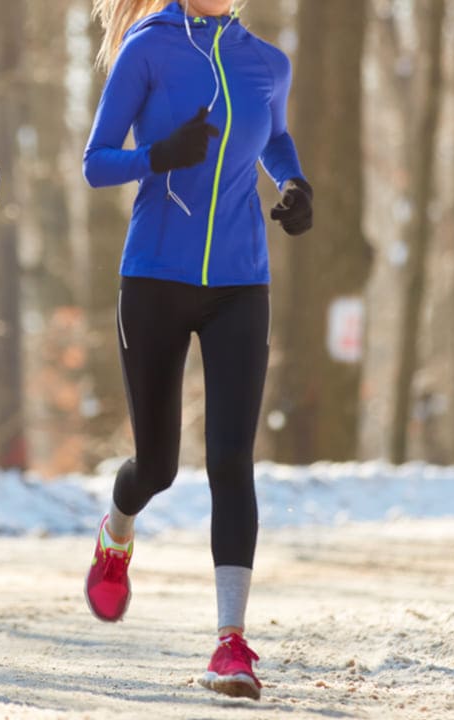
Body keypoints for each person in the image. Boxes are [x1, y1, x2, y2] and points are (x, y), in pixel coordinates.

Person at [82, 0, 312, 700]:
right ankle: (117, 528)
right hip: (154, 275)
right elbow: (96, 163)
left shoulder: (268, 62)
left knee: (231, 461)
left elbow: (273, 136)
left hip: (241, 281)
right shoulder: (147, 50)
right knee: (158, 465)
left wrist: (296, 183)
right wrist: (158, 157)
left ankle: (230, 642)